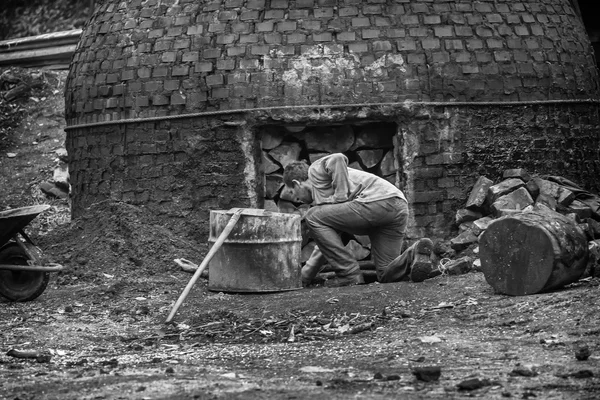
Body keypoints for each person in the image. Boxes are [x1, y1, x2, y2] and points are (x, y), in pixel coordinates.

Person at [281, 153, 434, 287]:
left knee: (312, 215)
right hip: (398, 206)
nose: (297, 199)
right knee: (386, 274)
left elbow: (337, 159)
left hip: (377, 202)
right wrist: (305, 277)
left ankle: (349, 275)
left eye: (292, 192)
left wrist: (340, 197)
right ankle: (414, 253)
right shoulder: (325, 201)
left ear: (297, 183)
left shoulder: (315, 171)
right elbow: (326, 245)